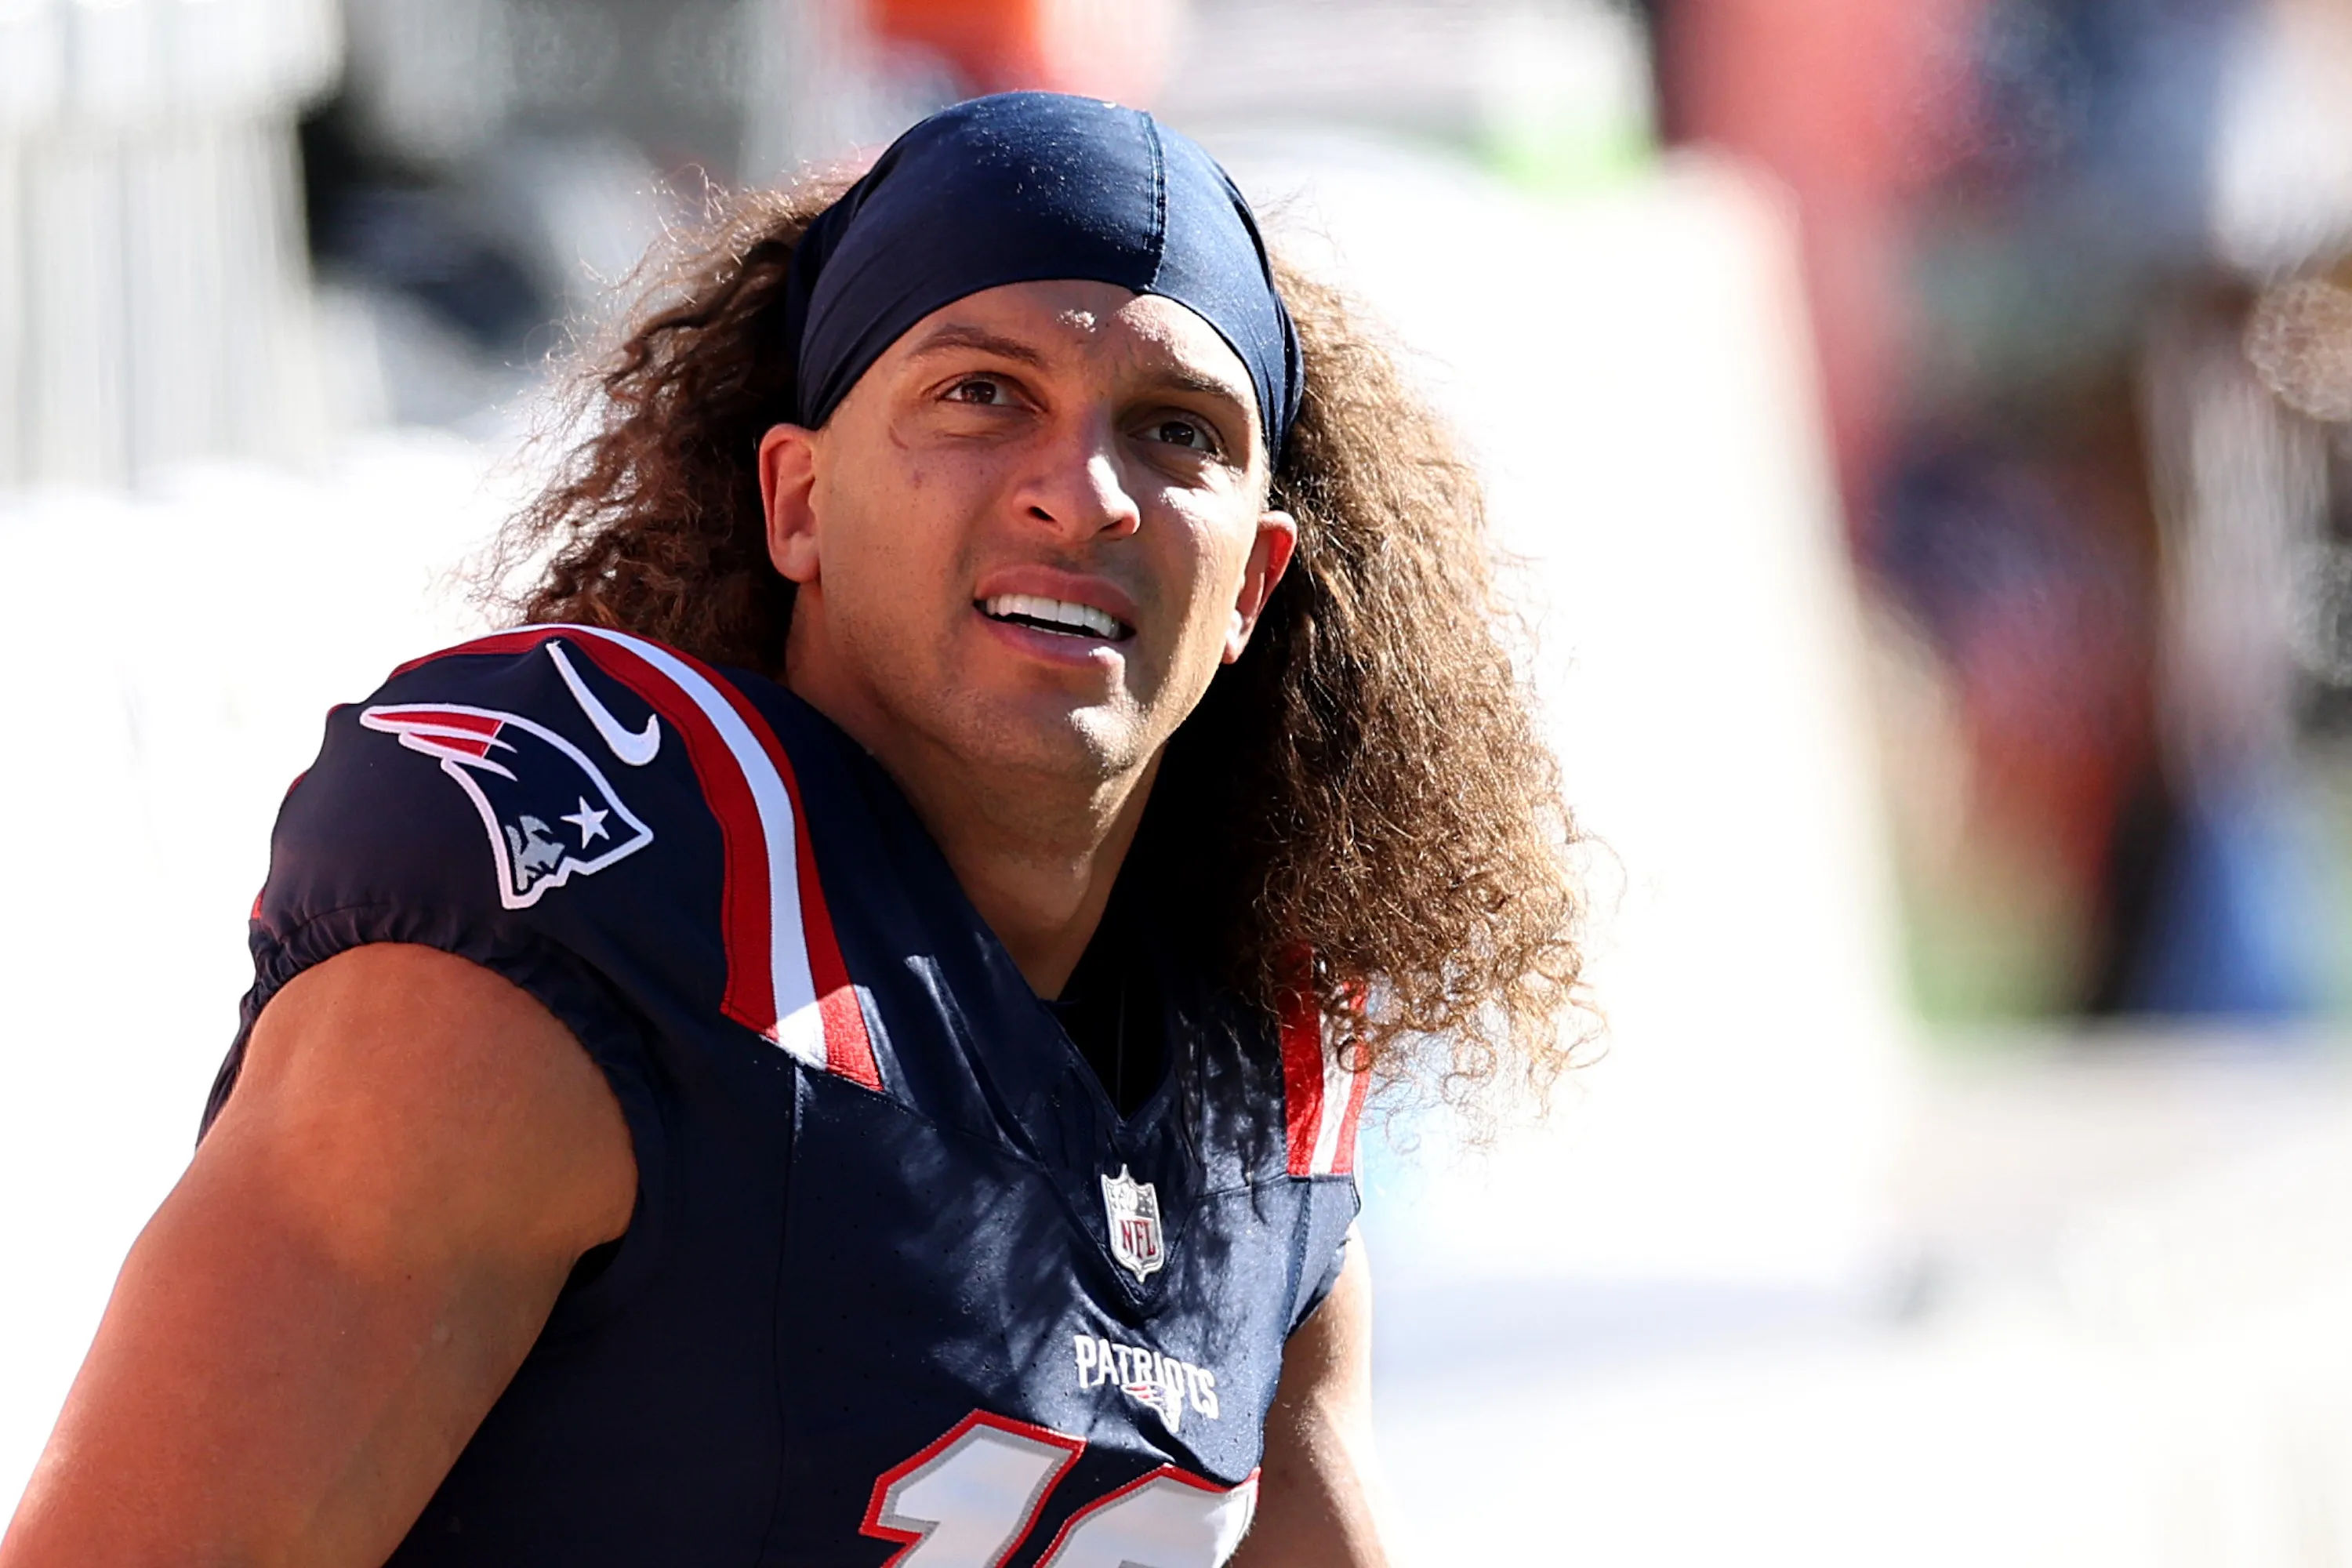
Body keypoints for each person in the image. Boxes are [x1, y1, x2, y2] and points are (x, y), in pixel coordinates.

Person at [0, 92, 1585, 1566]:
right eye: (981, 393)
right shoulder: (602, 911)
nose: (1084, 491)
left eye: (1179, 430)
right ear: (796, 500)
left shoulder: (1254, 1073)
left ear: (1251, 585)